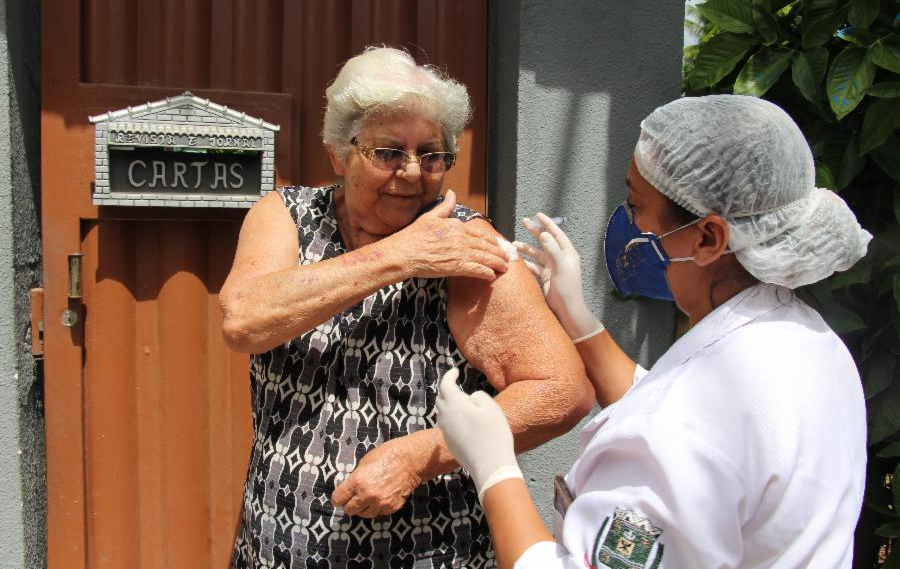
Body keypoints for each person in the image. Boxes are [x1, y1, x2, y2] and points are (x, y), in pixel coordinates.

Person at [437, 95, 871, 568]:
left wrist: (493, 467)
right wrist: (577, 317)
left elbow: (675, 429)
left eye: (636, 203)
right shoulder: (809, 340)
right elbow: (678, 415)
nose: (631, 222)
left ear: (708, 238)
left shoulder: (679, 425)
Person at [219, 46, 594, 568]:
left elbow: (562, 392)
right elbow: (243, 321)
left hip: (431, 549)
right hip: (275, 541)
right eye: (389, 152)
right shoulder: (288, 214)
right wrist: (398, 255)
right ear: (338, 153)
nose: (413, 173)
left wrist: (420, 457)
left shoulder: (466, 245)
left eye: (433, 154)